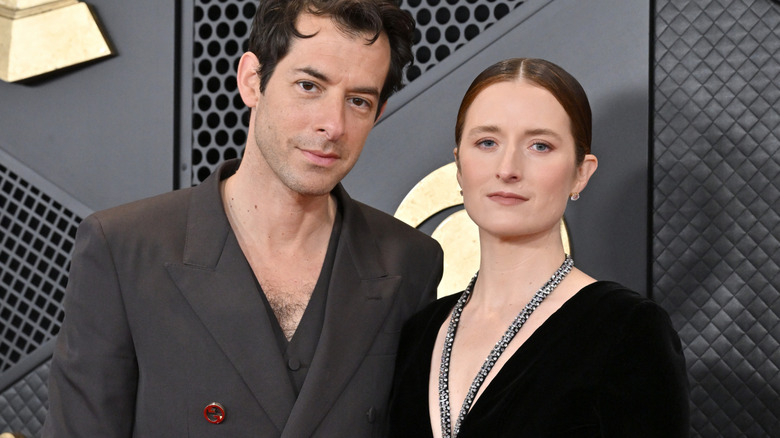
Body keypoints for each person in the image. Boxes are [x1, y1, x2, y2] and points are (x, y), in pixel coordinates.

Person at [43, 0, 443, 436]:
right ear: (252, 80)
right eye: (309, 86)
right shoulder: (124, 248)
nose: (333, 125)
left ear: (378, 114)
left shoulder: (411, 262)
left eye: (358, 101)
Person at [387, 58, 689, 437]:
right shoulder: (417, 334)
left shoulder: (627, 331)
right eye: (487, 142)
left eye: (540, 146)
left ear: (581, 173)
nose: (508, 168)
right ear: (459, 167)